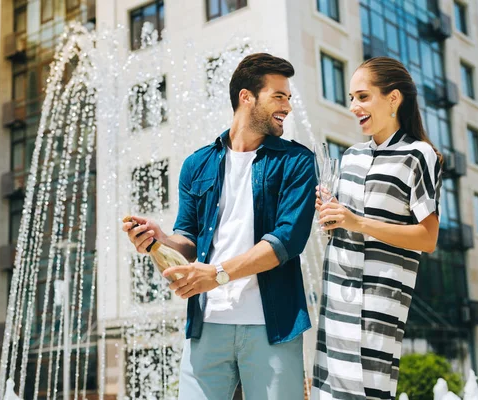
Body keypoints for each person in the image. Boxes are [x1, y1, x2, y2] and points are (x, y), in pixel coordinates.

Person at [122, 53, 316, 400]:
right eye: (279, 96)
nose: (287, 105)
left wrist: (218, 274)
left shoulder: (297, 161)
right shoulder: (197, 164)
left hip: (272, 326)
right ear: (246, 97)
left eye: (288, 97)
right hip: (207, 327)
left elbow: (287, 240)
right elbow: (189, 239)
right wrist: (158, 239)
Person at [311, 56, 443, 400]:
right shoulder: (350, 156)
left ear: (393, 98)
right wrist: (330, 216)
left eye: (362, 96)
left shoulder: (418, 155)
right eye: (351, 99)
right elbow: (340, 229)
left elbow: (428, 238)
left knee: (370, 392)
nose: (354, 106)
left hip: (379, 305)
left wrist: (357, 221)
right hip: (337, 299)